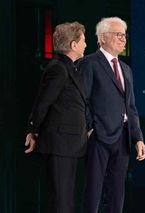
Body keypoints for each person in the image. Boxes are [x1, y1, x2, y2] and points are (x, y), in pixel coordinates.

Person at [77, 17, 145, 213]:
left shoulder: (126, 69)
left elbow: (131, 107)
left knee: (117, 193)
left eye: (124, 35)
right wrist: (91, 128)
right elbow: (82, 100)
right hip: (99, 136)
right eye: (118, 35)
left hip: (123, 137)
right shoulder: (89, 63)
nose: (123, 39)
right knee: (93, 190)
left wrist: (138, 138)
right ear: (103, 37)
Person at [24, 21, 87, 213]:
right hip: (60, 144)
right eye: (83, 41)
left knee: (66, 201)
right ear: (73, 45)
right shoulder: (59, 69)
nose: (86, 44)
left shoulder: (69, 68)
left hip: (68, 145)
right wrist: (32, 130)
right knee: (61, 202)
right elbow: (43, 103)